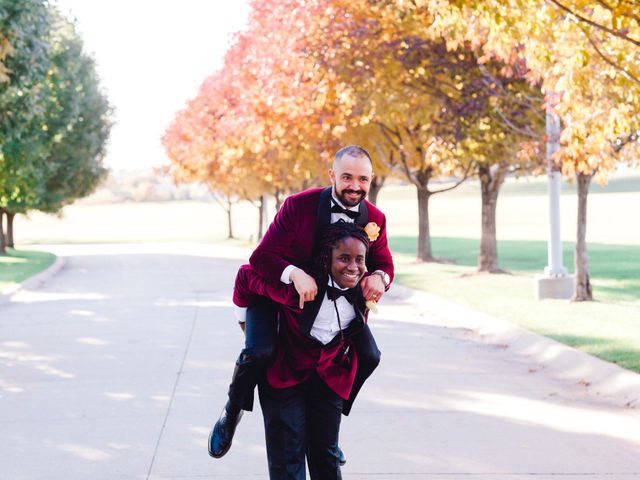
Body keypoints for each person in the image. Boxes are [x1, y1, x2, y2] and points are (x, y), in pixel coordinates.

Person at [209, 145, 394, 460]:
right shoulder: (298, 206)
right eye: (346, 177)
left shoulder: (374, 218)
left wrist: (380, 277)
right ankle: (232, 410)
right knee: (260, 351)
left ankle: (329, 435)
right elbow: (261, 258)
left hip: (327, 304)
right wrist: (293, 274)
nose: (355, 185)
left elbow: (384, 264)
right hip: (279, 291)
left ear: (371, 179)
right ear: (332, 175)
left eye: (362, 179)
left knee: (370, 355)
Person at [233, 223, 373, 479]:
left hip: (328, 378)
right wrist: (243, 319)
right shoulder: (298, 289)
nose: (353, 267)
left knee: (327, 462)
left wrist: (382, 277)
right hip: (283, 375)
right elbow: (246, 275)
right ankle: (232, 411)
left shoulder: (364, 291)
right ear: (327, 259)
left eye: (359, 260)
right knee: (287, 462)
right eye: (344, 258)